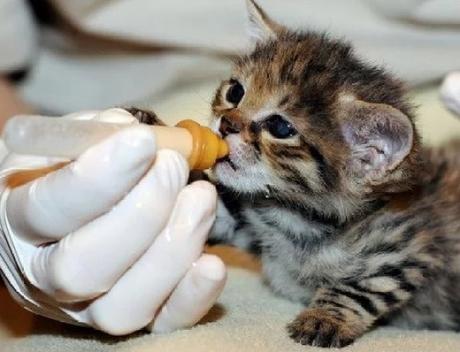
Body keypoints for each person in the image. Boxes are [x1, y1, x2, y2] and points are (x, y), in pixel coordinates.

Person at [0, 0, 459, 336]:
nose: (231, 124)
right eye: (237, 95)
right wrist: (155, 159)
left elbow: (413, 257)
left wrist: (342, 309)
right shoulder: (267, 193)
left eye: (278, 126)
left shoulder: (385, 229)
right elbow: (216, 215)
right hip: (65, 95)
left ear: (368, 157)